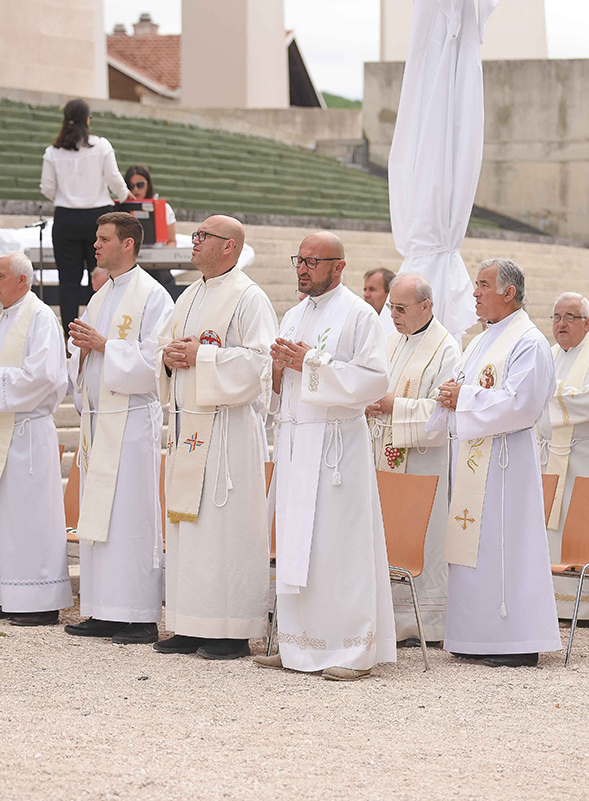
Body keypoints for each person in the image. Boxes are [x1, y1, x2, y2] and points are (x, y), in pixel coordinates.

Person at [259, 231, 396, 682]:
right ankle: (298, 646)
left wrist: (310, 365)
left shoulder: (359, 314)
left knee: (339, 548)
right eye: (299, 260)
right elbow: (278, 384)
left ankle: (351, 650)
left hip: (338, 448)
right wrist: (277, 372)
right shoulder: (294, 313)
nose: (302, 269)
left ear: (339, 266)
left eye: (313, 262)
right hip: (298, 444)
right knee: (299, 547)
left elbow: (375, 379)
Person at [428, 258, 561, 668]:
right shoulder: (481, 340)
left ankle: (516, 641)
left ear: (508, 292)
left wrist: (462, 398)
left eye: (483, 285)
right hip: (473, 458)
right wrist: (449, 396)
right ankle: (477, 636)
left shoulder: (529, 341)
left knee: (507, 548)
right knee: (475, 547)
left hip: (507, 466)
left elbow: (523, 404)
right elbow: (459, 386)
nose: (475, 292)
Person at [153, 215, 276, 659]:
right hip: (189, 427)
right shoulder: (188, 294)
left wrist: (201, 356)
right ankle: (189, 622)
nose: (195, 241)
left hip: (228, 434)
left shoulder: (249, 297)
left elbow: (259, 363)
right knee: (190, 530)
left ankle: (230, 629)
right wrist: (166, 358)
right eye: (196, 235)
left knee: (225, 531)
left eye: (203, 236)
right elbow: (166, 348)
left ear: (229, 247)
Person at [64, 212, 173, 645]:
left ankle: (138, 615)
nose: (95, 245)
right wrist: (83, 352)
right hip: (99, 421)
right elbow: (88, 353)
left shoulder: (153, 296)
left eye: (103, 238)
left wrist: (104, 346)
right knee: (100, 517)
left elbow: (155, 363)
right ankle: (103, 610)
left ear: (127, 244)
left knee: (131, 516)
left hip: (130, 423)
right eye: (96, 238)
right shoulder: (101, 295)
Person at [0, 251, 71, 626]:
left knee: (32, 518)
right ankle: (9, 596)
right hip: (3, 433)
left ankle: (39, 601)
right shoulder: (2, 321)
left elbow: (45, 376)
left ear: (23, 280)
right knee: (4, 516)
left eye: (0, 276)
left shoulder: (40, 318)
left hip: (28, 435)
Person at [366, 273, 461, 646]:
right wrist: (373, 404)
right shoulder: (390, 341)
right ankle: (389, 617)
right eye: (391, 307)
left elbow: (445, 411)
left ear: (427, 306)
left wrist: (395, 406)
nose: (394, 314)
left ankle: (426, 623)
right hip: (382, 456)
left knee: (424, 536)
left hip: (423, 464)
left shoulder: (447, 349)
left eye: (402, 308)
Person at [536, 292, 589, 621]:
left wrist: (557, 393)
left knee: (587, 525)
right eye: (556, 317)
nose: (561, 324)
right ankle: (554, 603)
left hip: (588, 457)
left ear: (587, 322)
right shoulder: (549, 354)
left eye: (569, 317)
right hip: (551, 456)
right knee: (553, 529)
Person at [40, 98, 130, 332]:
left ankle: (70, 338)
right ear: (88, 120)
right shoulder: (101, 146)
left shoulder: (52, 151)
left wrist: (67, 198)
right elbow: (114, 177)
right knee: (103, 276)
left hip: (66, 218)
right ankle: (100, 331)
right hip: (99, 217)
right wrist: (124, 195)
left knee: (68, 281)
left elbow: (47, 188)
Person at [122, 164, 178, 297]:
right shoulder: (121, 210)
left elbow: (171, 241)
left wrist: (160, 255)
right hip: (130, 262)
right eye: (131, 186)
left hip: (156, 264)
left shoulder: (164, 208)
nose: (135, 189)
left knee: (166, 283)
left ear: (148, 184)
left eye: (140, 185)